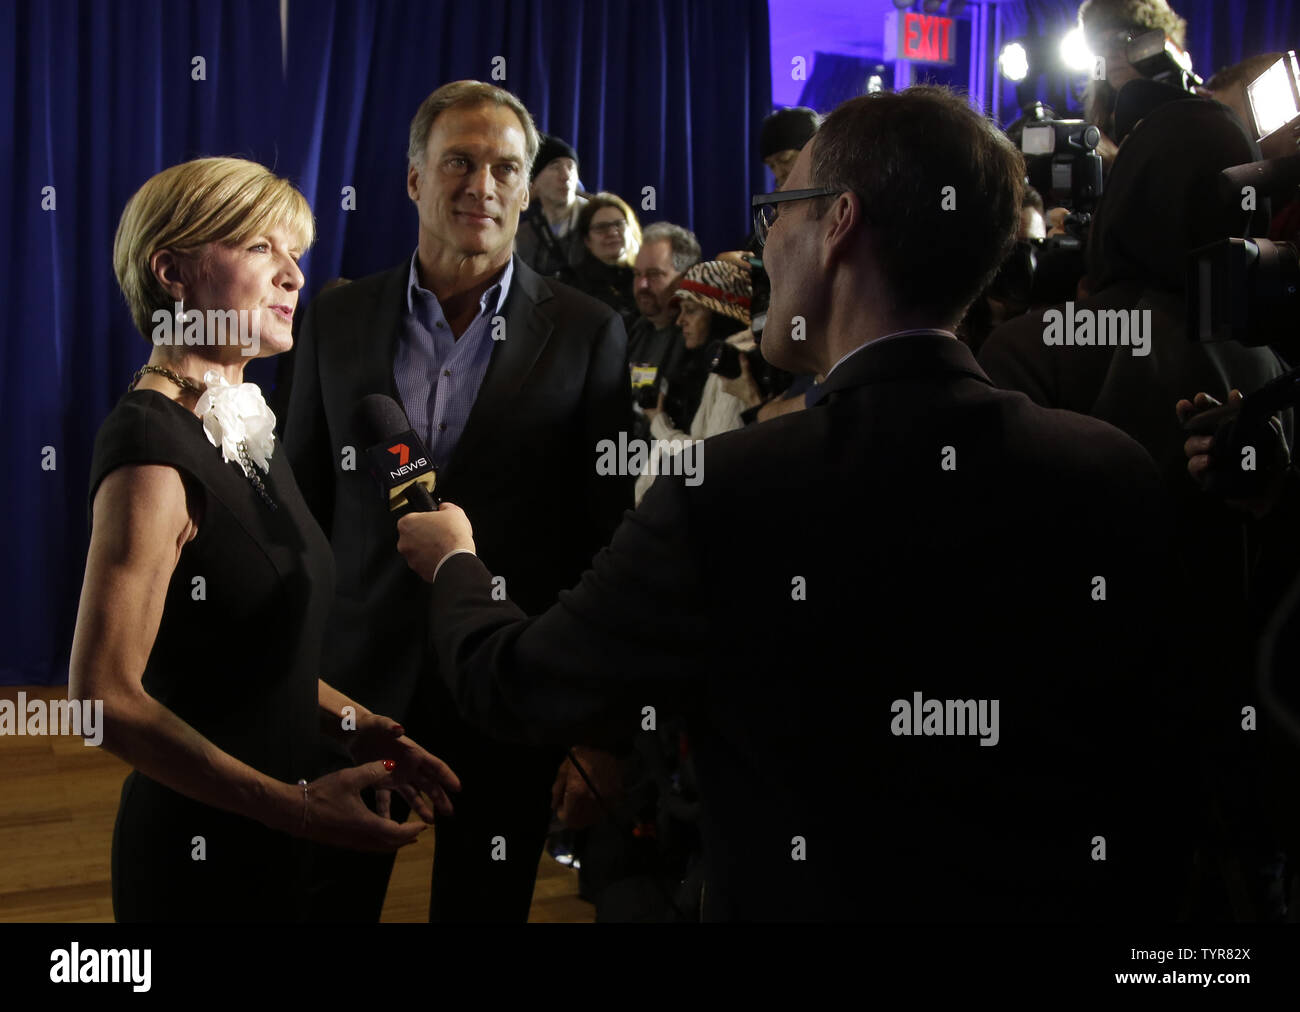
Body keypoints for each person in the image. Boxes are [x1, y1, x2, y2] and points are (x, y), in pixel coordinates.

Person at [394, 86, 1188, 921]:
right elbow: (1160, 782)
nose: (764, 242)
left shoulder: (725, 490)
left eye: (780, 208)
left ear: (838, 221)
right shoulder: (1112, 472)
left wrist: (454, 560)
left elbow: (515, 684)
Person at [69, 157, 460, 923]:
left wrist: (362, 730)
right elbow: (101, 700)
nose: (293, 278)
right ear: (172, 271)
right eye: (260, 248)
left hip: (274, 833)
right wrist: (299, 808)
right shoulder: (152, 445)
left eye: (296, 256)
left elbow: (248, 659)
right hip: (200, 858)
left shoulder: (239, 421)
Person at [283, 81, 633, 922]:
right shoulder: (335, 318)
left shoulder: (590, 334)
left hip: (503, 696)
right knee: (324, 902)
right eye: (460, 162)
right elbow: (297, 513)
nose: (482, 185)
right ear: (414, 180)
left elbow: (606, 543)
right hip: (354, 694)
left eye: (505, 168)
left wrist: (598, 727)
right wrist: (291, 683)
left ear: (527, 188)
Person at [637, 259, 754, 503]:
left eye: (691, 310)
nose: (680, 321)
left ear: (721, 314)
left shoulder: (732, 364)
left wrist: (660, 426)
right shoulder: (701, 363)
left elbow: (709, 461)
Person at [626, 221, 700, 436]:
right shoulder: (632, 330)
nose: (642, 285)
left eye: (654, 275)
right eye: (637, 274)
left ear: (684, 277)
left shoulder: (697, 337)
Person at [514, 133, 586, 279]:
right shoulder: (523, 234)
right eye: (555, 167)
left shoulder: (596, 221)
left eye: (571, 167)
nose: (566, 176)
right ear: (534, 183)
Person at [569, 191, 642, 330]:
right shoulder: (575, 288)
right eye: (601, 228)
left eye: (619, 224)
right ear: (587, 240)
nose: (612, 232)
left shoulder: (645, 278)